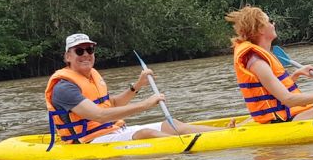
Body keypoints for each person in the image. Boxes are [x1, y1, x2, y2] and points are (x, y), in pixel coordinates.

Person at [45, 33, 222, 143]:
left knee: (171, 124)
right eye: (79, 51)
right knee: (147, 133)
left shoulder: (91, 76)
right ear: (67, 56)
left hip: (113, 131)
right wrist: (145, 105)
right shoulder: (64, 87)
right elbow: (98, 115)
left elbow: (110, 104)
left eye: (89, 50)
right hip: (89, 140)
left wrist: (137, 86)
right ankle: (192, 150)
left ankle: (227, 133)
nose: (86, 55)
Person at [226, 6, 313, 124]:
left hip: (287, 114)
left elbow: (272, 91)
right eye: (270, 21)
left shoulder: (259, 59)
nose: (273, 24)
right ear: (261, 29)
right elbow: (288, 99)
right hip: (282, 121)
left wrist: (296, 75)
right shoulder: (258, 63)